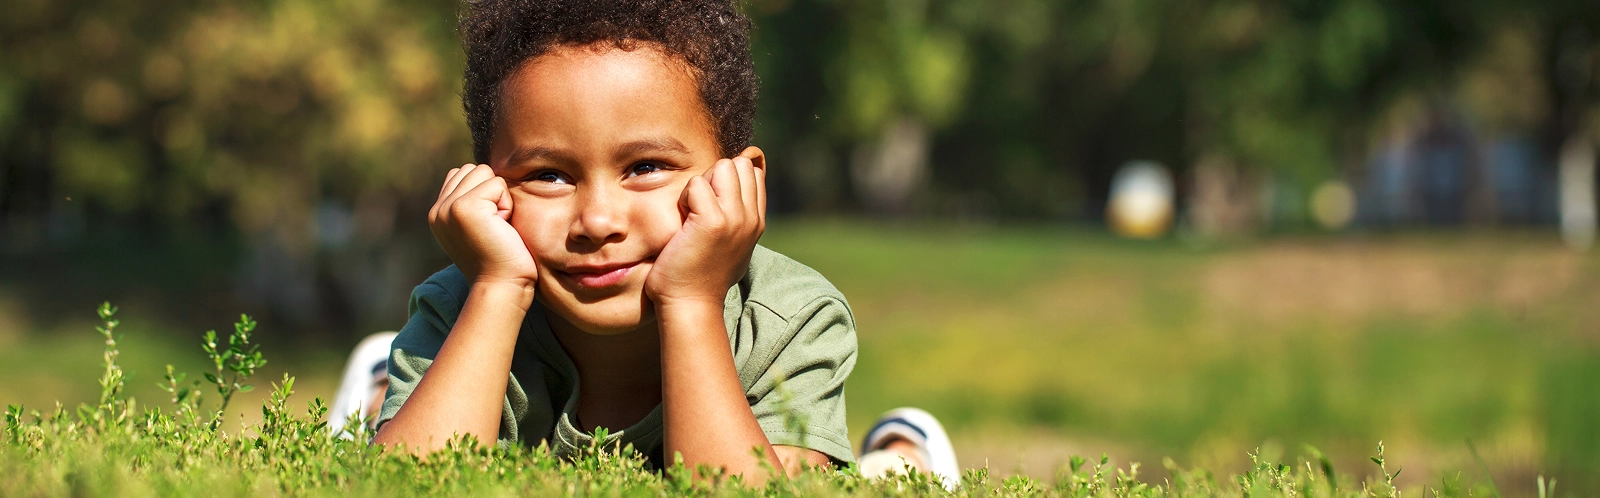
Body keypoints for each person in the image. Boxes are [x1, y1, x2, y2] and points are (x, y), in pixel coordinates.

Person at [332, 0, 960, 485]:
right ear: (489, 187)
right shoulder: (464, 301)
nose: (599, 220)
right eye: (548, 175)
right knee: (398, 426)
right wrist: (497, 290)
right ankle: (382, 392)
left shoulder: (790, 319)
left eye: (645, 167)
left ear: (739, 180)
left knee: (878, 484)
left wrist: (690, 302)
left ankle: (902, 455)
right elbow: (405, 486)